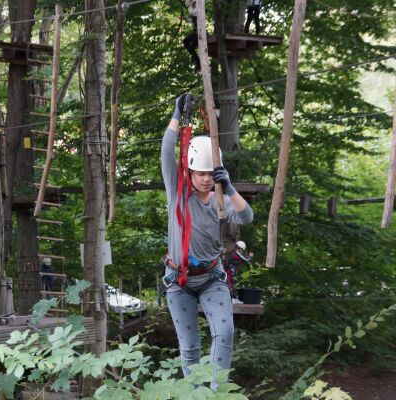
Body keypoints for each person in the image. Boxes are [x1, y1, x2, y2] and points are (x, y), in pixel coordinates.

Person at [161, 95, 253, 387]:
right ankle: (194, 393)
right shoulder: (178, 194)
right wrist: (176, 116)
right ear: (189, 171)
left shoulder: (221, 201)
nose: (204, 178)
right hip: (178, 280)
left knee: (224, 334)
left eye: (209, 173)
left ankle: (218, 391)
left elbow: (247, 216)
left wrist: (230, 186)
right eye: (200, 173)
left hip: (212, 278)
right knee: (189, 346)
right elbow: (166, 152)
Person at [183, 0, 201, 73]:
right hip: (196, 32)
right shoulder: (192, 8)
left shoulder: (199, 6)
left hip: (200, 32)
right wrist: (185, 18)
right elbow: (192, 20)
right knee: (185, 41)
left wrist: (191, 5)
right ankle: (195, 59)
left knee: (191, 48)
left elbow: (194, 13)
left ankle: (197, 62)